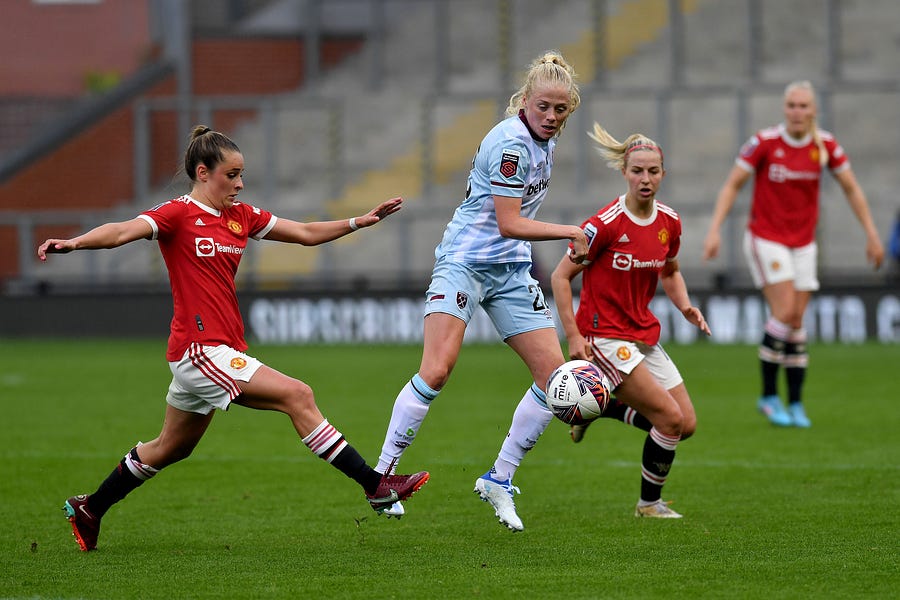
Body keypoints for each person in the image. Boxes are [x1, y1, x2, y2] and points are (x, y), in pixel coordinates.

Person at [37, 125, 429, 552]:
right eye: (232, 175)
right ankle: (374, 484)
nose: (240, 184)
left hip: (219, 351)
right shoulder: (177, 214)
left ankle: (90, 507)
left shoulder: (241, 216)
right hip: (198, 350)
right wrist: (75, 243)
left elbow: (304, 233)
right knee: (298, 395)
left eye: (242, 175)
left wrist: (359, 221)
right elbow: (121, 231)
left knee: (171, 447)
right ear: (203, 173)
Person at [371, 50, 588, 531]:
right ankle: (381, 476)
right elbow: (509, 223)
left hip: (509, 270)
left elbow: (511, 233)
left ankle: (500, 478)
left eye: (561, 110)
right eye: (544, 107)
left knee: (554, 380)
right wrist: (570, 230)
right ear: (524, 100)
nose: (551, 117)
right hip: (466, 262)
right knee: (437, 369)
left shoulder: (542, 142)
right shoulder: (511, 144)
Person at [702, 80, 884, 428]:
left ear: (814, 110)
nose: (797, 112)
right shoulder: (765, 142)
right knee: (785, 311)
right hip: (766, 237)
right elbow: (732, 184)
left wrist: (872, 235)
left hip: (803, 243)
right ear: (784, 109)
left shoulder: (825, 145)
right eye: (792, 105)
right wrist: (714, 230)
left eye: (804, 106)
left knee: (796, 321)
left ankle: (796, 403)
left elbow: (852, 188)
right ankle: (769, 396)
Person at [550, 123, 710, 519]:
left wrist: (685, 305)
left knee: (684, 424)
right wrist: (573, 336)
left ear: (663, 174)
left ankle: (600, 408)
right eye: (637, 170)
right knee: (669, 420)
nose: (645, 178)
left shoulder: (669, 222)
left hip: (642, 333)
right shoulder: (603, 224)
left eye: (653, 171)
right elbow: (560, 277)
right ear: (624, 171)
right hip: (603, 335)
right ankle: (648, 505)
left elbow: (670, 271)